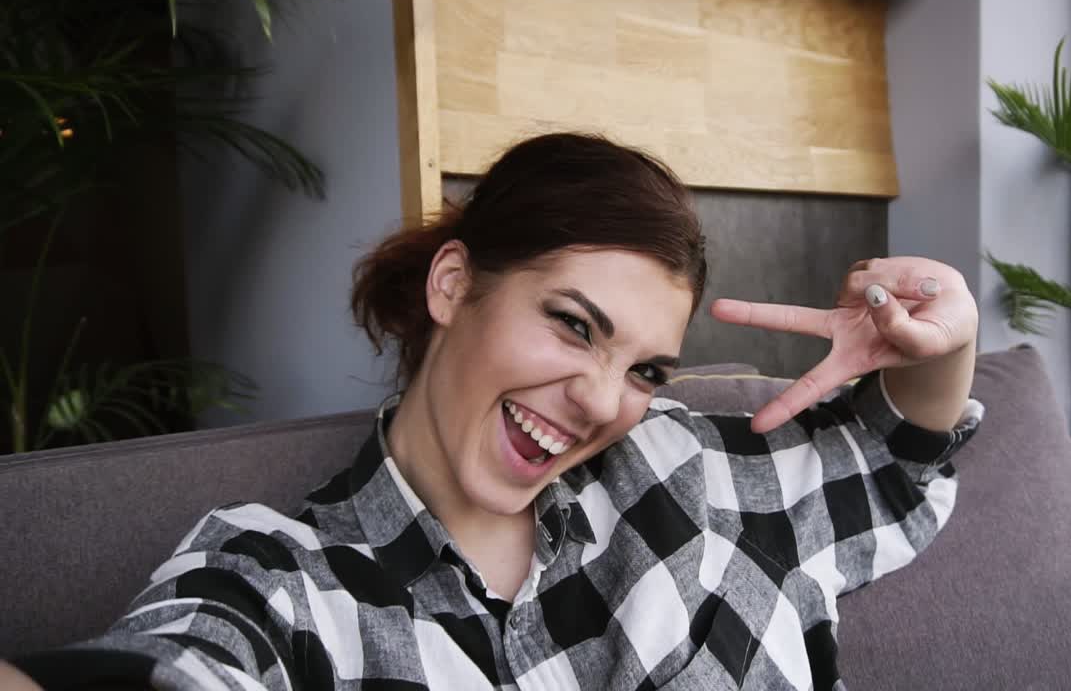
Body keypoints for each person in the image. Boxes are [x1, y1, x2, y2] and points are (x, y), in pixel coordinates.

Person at [2, 133, 982, 690]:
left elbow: (893, 464)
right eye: (570, 325)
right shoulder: (281, 579)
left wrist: (945, 336)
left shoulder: (688, 468)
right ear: (452, 284)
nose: (602, 399)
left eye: (645, 368)